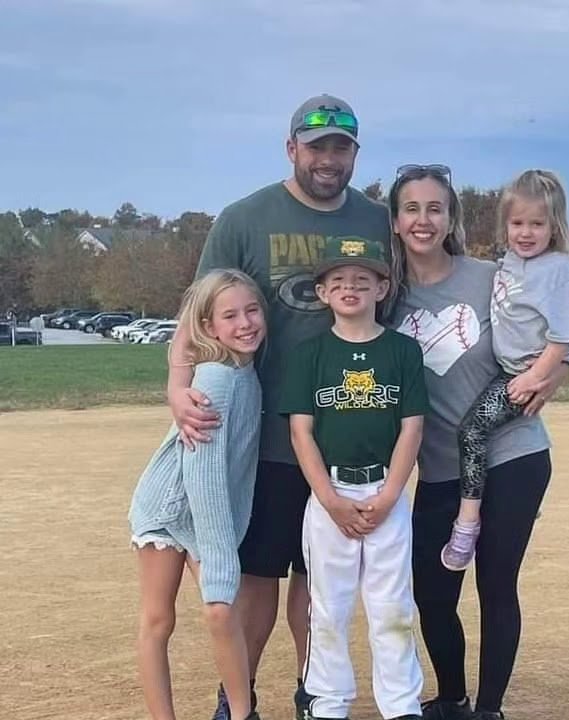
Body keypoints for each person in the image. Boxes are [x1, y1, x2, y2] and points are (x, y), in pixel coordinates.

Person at [166, 94, 390, 720]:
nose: (328, 159)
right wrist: (177, 387)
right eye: (315, 147)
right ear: (292, 148)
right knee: (258, 575)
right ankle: (236, 698)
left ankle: (314, 692)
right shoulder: (245, 219)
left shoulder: (377, 221)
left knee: (320, 579)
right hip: (263, 434)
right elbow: (196, 313)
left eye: (340, 147)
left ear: (354, 153)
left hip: (347, 431)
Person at [389, 164, 569, 720]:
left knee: (495, 585)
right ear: (395, 221)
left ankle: (489, 708)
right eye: (411, 209)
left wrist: (550, 378)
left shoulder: (492, 277)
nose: (424, 220)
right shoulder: (385, 295)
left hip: (513, 455)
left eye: (435, 208)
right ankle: (451, 698)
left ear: (452, 218)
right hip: (440, 467)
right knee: (433, 594)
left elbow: (561, 337)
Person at [280, 236, 428, 720]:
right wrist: (329, 499)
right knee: (328, 606)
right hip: (331, 494)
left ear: (381, 289)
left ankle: (401, 705)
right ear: (322, 292)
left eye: (363, 280)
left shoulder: (402, 350)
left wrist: (389, 496)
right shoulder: (310, 353)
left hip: (386, 491)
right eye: (338, 280)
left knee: (392, 607)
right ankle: (328, 701)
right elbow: (301, 432)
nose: (351, 288)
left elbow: (412, 428)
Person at [129, 269, 267, 720]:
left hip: (200, 508)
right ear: (209, 327)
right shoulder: (214, 381)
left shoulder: (244, 372)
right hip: (169, 506)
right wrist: (220, 556)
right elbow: (203, 478)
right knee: (162, 619)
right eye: (230, 316)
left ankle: (242, 712)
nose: (245, 323)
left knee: (224, 613)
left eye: (252, 311)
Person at [442, 169, 569, 571]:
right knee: (481, 433)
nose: (526, 233)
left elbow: (565, 337)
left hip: (520, 374)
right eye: (517, 223)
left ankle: (467, 522)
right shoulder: (508, 263)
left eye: (537, 224)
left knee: (472, 431)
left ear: (554, 226)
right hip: (507, 371)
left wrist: (537, 377)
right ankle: (517, 502)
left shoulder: (560, 270)